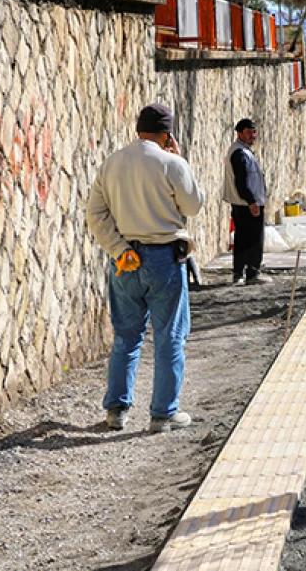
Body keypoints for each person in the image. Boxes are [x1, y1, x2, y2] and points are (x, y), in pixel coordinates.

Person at [86, 103, 205, 433]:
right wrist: (181, 161)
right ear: (167, 135)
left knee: (126, 336)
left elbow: (95, 215)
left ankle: (116, 411)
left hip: (125, 259)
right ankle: (162, 415)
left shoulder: (111, 163)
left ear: (137, 130)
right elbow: (193, 206)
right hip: (164, 258)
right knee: (169, 338)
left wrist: (118, 249)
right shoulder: (171, 162)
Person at [223, 118, 272, 286]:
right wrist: (251, 201)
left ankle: (239, 273)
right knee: (253, 239)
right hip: (247, 204)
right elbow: (241, 181)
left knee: (242, 238)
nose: (253, 135)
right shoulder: (240, 153)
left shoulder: (242, 151)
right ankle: (252, 272)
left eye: (254, 132)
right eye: (249, 132)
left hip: (244, 203)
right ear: (239, 134)